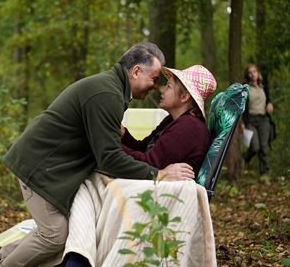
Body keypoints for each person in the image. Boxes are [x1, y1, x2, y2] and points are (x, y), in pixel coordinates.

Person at [0, 42, 195, 267]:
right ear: (135, 72)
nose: (156, 87)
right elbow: (110, 158)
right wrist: (158, 174)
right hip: (38, 167)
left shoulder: (110, 88)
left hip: (46, 165)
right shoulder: (107, 94)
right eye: (154, 79)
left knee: (60, 230)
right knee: (54, 235)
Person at [63, 64, 217, 266]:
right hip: (155, 177)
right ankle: (79, 252)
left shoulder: (189, 128)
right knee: (90, 182)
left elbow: (150, 162)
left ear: (184, 97)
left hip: (165, 185)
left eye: (169, 86)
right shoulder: (172, 121)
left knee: (91, 183)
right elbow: (143, 147)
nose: (162, 89)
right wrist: (121, 133)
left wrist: (105, 147)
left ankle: (79, 257)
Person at [241, 64, 274, 174]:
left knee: (264, 147)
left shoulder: (263, 86)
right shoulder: (245, 88)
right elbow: (242, 108)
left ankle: (264, 172)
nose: (252, 74)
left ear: (258, 72)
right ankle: (246, 158)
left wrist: (269, 104)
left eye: (254, 71)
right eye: (250, 72)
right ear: (248, 75)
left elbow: (268, 99)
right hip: (251, 121)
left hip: (264, 119)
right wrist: (242, 123)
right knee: (255, 146)